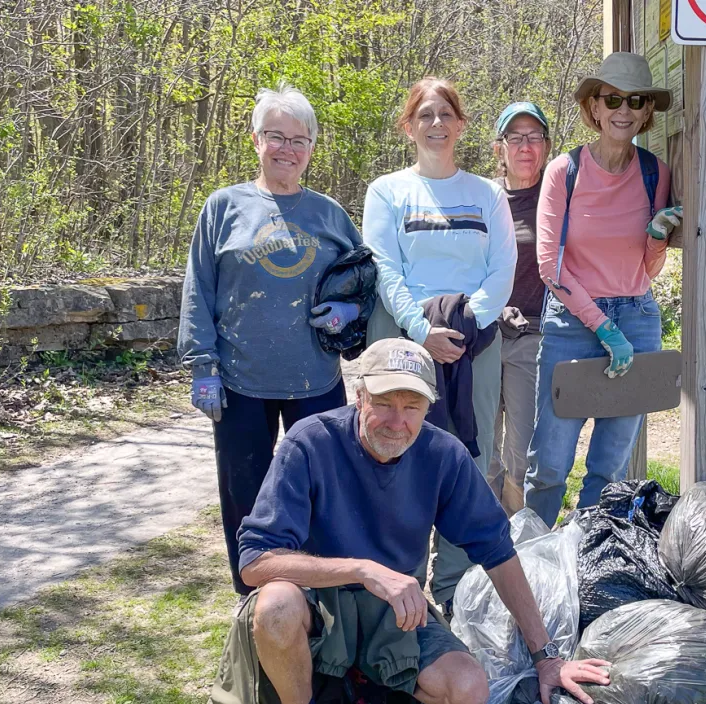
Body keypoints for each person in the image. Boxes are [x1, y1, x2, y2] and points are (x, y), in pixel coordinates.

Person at [206, 338, 611, 704]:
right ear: (359, 396)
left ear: (428, 408)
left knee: (468, 693)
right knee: (273, 606)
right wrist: (361, 569)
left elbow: (498, 554)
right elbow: (253, 562)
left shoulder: (444, 454)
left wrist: (546, 657)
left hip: (394, 616)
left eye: (412, 406)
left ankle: (366, 680)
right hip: (317, 608)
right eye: (383, 404)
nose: (397, 422)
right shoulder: (309, 441)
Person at [178, 83, 365, 595]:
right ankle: (254, 596)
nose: (287, 149)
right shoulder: (223, 208)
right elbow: (199, 288)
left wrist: (349, 309)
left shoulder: (329, 214)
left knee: (323, 488)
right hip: (239, 382)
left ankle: (321, 591)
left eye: (299, 139)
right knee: (247, 495)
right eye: (275, 136)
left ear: (311, 147)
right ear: (256, 140)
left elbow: (366, 279)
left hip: (316, 379)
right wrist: (202, 366)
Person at [362, 78, 518, 610]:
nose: (436, 124)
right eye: (425, 115)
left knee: (468, 460)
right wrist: (422, 330)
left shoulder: (487, 194)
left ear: (461, 125)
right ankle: (396, 583)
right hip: (402, 338)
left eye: (446, 114)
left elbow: (502, 268)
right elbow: (384, 266)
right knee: (393, 448)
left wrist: (465, 324)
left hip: (474, 342)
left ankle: (453, 586)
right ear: (409, 126)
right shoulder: (387, 191)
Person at [523, 53, 683, 526]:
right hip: (572, 322)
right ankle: (532, 562)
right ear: (594, 106)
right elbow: (549, 265)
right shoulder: (564, 172)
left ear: (647, 110)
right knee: (550, 462)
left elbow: (648, 268)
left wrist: (656, 239)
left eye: (636, 100)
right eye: (612, 99)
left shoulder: (656, 172)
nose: (624, 110)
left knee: (610, 466)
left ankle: (585, 558)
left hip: (636, 317)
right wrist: (601, 326)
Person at [485, 101, 552, 516]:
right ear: (500, 149)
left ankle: (519, 542)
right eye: (515, 137)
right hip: (485, 335)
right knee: (482, 448)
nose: (525, 146)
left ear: (545, 146)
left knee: (522, 452)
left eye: (534, 137)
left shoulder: (558, 196)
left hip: (535, 336)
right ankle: (481, 538)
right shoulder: (482, 199)